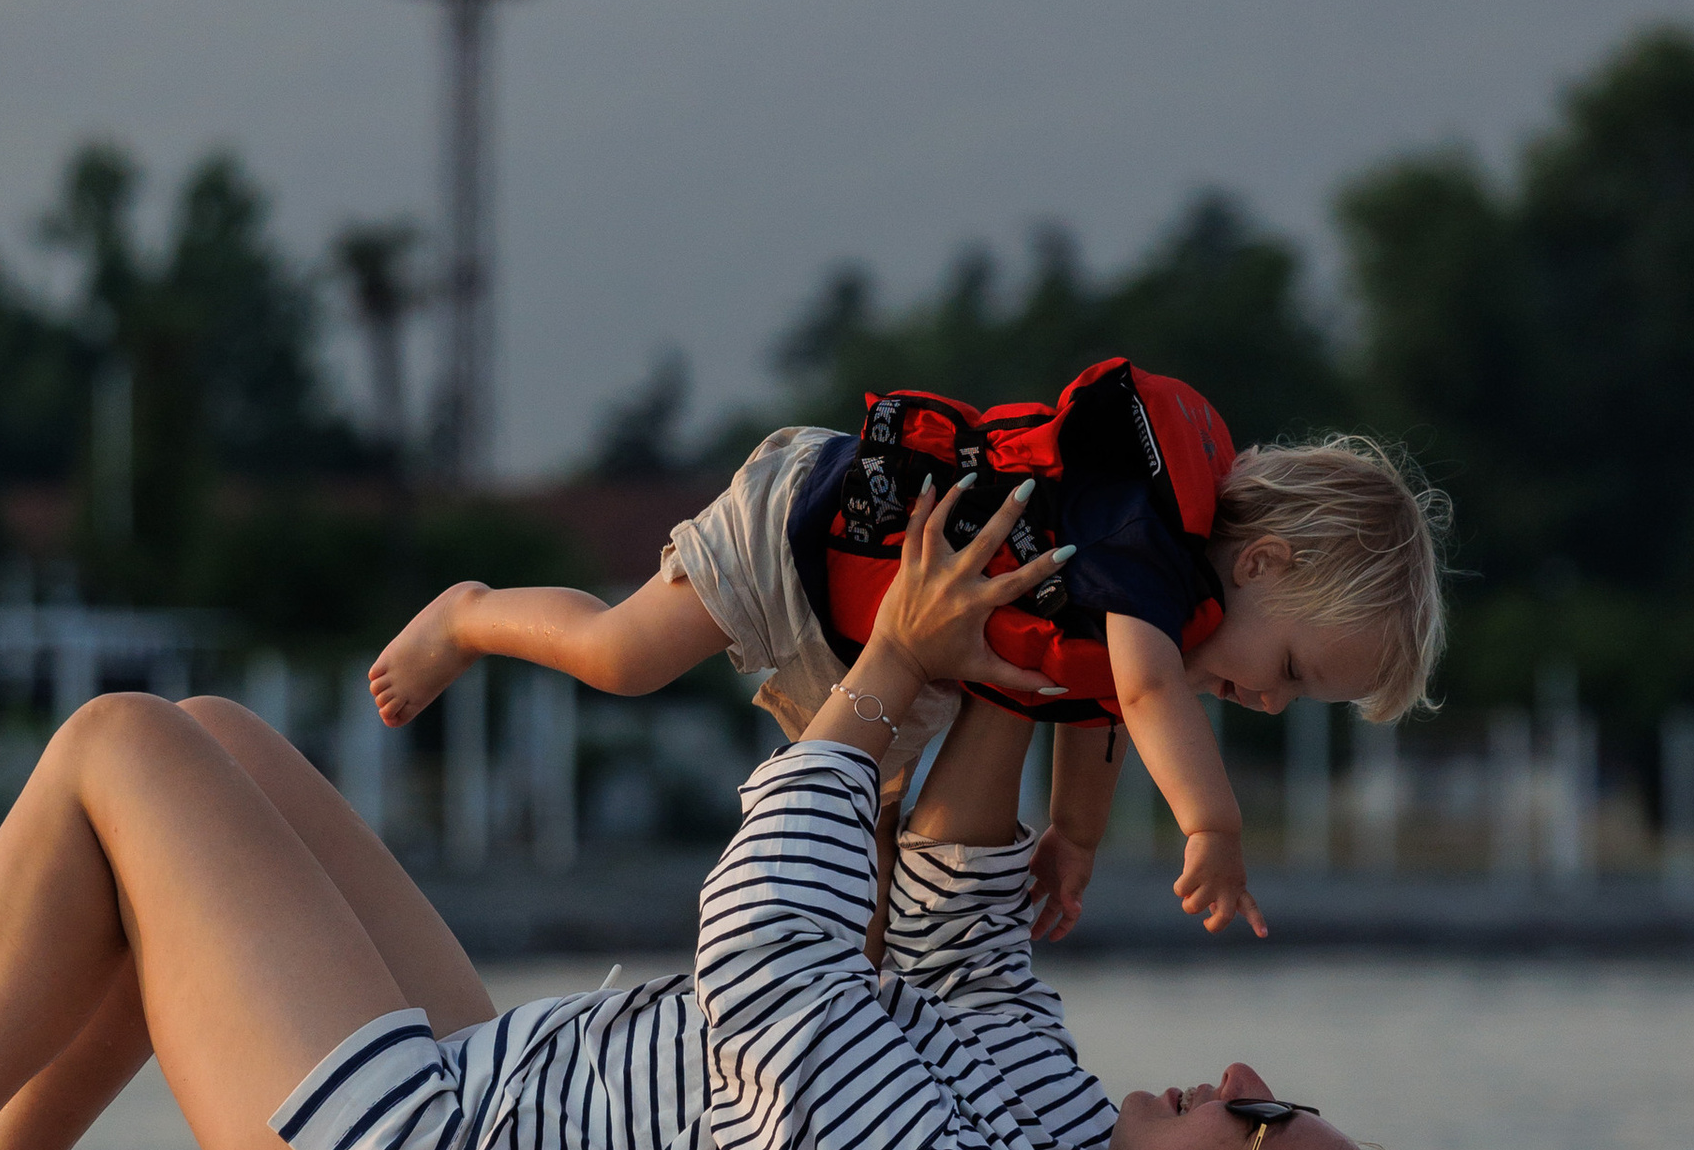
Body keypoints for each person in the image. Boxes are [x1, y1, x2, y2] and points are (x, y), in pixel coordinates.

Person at [0, 482, 1426, 1150]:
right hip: (498, 1119)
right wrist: (1009, 649)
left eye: (1262, 1120)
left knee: (119, 748)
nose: (1238, 1074)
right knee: (222, 749)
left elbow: (772, 968)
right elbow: (955, 939)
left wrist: (882, 683)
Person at [369, 379, 1449, 943]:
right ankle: (469, 616)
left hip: (899, 649)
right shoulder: (1144, 548)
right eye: (1292, 669)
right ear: (1259, 562)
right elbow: (1143, 690)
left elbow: (1101, 712)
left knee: (867, 881)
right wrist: (1212, 828)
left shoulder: (1159, 618)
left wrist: (1073, 839)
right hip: (805, 531)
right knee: (623, 655)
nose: (1270, 703)